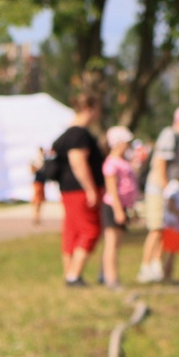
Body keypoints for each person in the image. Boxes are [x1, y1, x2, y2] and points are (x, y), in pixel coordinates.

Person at [50, 85, 106, 288]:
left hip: (68, 190)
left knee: (72, 231)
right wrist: (91, 188)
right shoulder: (79, 134)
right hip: (80, 191)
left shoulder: (65, 134)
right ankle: (74, 275)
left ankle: (69, 273)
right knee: (90, 230)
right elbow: (78, 161)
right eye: (98, 109)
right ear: (89, 109)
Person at [139, 102, 179, 283]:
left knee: (167, 230)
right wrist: (167, 190)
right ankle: (146, 266)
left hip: (172, 190)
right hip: (160, 189)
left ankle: (160, 268)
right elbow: (160, 164)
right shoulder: (169, 135)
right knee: (157, 227)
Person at [99, 127, 141, 289]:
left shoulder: (123, 161)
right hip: (113, 206)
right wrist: (117, 210)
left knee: (117, 244)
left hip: (123, 206)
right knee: (111, 243)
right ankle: (111, 278)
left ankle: (108, 274)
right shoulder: (111, 163)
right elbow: (112, 189)